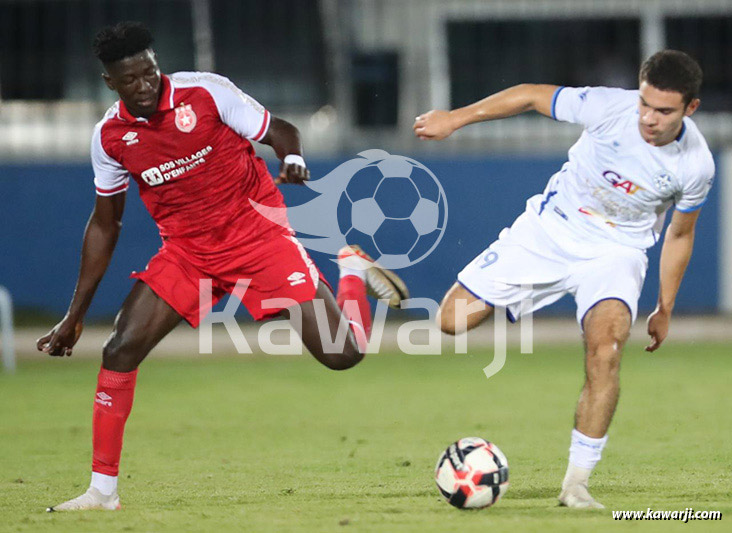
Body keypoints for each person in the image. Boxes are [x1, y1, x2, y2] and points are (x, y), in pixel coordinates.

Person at [38, 21, 408, 512]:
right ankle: (102, 492)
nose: (146, 85)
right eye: (131, 80)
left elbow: (281, 131)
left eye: (150, 72)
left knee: (343, 355)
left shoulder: (207, 93)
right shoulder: (110, 138)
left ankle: (351, 274)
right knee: (119, 350)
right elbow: (106, 226)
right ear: (110, 82)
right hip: (188, 254)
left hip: (260, 238)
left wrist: (293, 158)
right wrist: (74, 314)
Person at [414, 50, 713, 509]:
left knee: (606, 351)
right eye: (645, 104)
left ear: (690, 109)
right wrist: (455, 119)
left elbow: (680, 232)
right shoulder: (608, 106)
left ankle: (576, 483)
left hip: (617, 252)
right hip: (550, 229)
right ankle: (517, 300)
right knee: (451, 320)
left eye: (664, 110)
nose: (649, 118)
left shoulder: (695, 166)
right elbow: (532, 96)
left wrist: (665, 306)